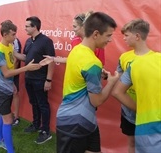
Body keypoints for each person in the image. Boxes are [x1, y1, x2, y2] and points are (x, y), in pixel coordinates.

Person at [52, 12, 119, 153]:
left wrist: (98, 74)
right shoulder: (92, 63)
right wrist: (112, 82)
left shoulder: (77, 50)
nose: (111, 40)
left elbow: (80, 74)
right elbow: (97, 101)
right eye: (108, 35)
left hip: (86, 121)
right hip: (74, 123)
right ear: (95, 34)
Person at [112, 19, 160, 153]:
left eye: (126, 35)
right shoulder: (124, 57)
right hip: (129, 112)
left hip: (151, 114)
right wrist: (111, 78)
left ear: (137, 36)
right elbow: (119, 82)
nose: (124, 38)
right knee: (133, 142)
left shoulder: (156, 59)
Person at [0, 21, 42, 152]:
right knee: (8, 120)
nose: (15, 37)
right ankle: (10, 150)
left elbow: (20, 56)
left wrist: (36, 58)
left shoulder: (9, 45)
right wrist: (26, 68)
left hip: (7, 85)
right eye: (13, 34)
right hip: (1, 88)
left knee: (5, 115)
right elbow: (6, 73)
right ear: (5, 34)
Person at [14, 16, 55, 144]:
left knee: (43, 104)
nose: (24, 28)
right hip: (29, 78)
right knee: (34, 102)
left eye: (27, 26)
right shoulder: (28, 41)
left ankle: (45, 131)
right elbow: (25, 57)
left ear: (35, 27)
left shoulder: (46, 41)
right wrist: (12, 51)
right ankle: (36, 124)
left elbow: (51, 61)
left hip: (40, 79)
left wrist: (48, 80)